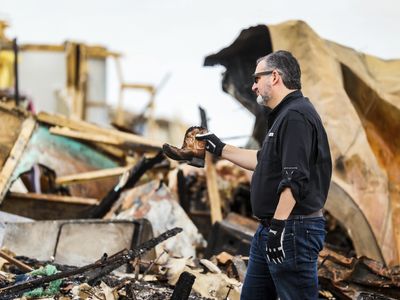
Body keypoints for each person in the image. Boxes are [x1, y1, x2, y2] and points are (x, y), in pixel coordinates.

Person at [196, 50, 332, 300]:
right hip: (272, 229)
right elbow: (263, 161)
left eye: (257, 78)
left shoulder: (296, 117)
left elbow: (294, 178)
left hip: (292, 230)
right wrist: (220, 148)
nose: (254, 85)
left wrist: (278, 228)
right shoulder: (283, 116)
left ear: (275, 77)